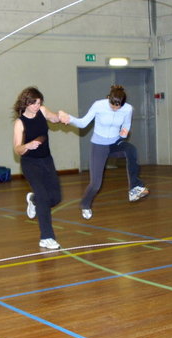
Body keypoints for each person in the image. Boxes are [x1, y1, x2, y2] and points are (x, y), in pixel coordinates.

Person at [59, 85, 148, 220]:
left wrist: (124, 132)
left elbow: (126, 125)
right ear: (109, 99)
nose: (114, 109)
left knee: (131, 150)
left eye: (118, 107)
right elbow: (83, 123)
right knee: (96, 184)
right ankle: (85, 204)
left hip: (114, 143)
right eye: (112, 106)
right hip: (99, 146)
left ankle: (134, 188)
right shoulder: (98, 105)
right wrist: (69, 119)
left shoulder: (128, 109)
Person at [13, 86, 62, 249]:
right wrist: (27, 145)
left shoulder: (42, 110)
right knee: (43, 196)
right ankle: (46, 237)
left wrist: (59, 116)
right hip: (30, 163)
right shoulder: (20, 122)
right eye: (33, 103)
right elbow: (17, 148)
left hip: (46, 160)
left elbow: (53, 118)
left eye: (38, 102)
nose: (36, 105)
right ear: (26, 103)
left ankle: (32, 200)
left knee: (55, 198)